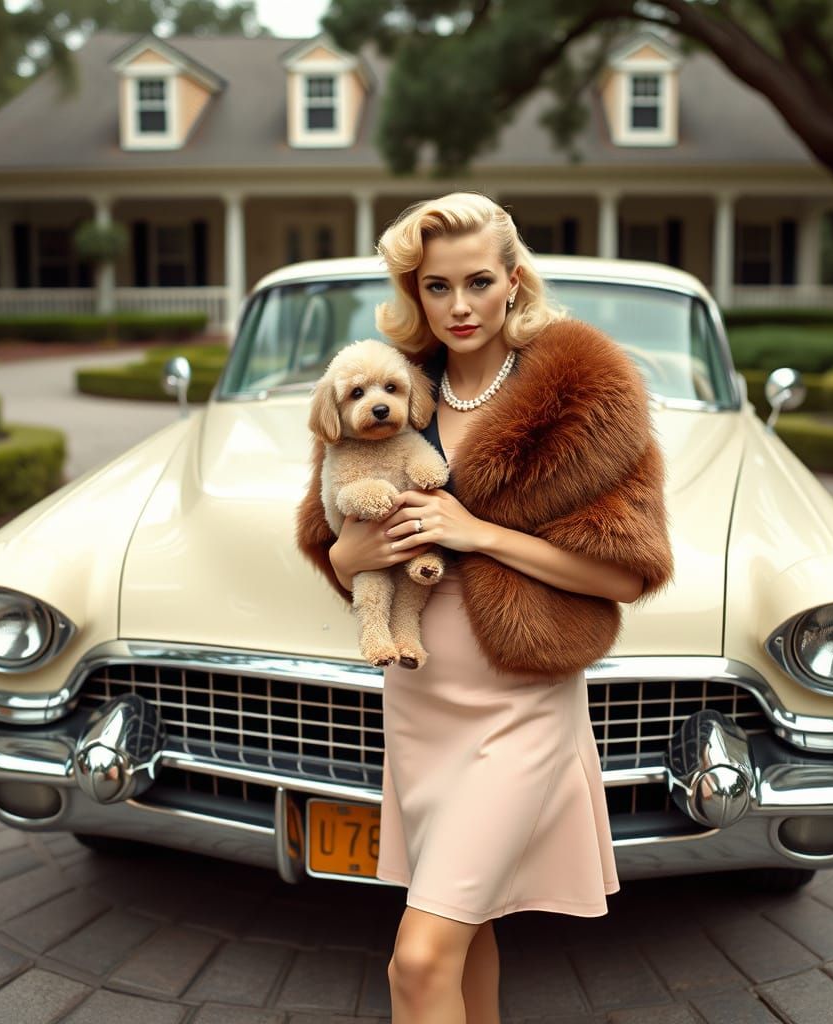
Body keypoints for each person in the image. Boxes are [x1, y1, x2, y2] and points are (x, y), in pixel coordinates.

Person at [296, 191, 674, 1023]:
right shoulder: (390, 385)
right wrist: (351, 557)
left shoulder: (586, 397)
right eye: (437, 286)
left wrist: (479, 534)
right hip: (421, 696)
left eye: (478, 282)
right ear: (416, 292)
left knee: (417, 958)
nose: (459, 306)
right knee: (470, 930)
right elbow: (336, 544)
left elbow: (625, 575)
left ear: (514, 281)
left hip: (521, 704)